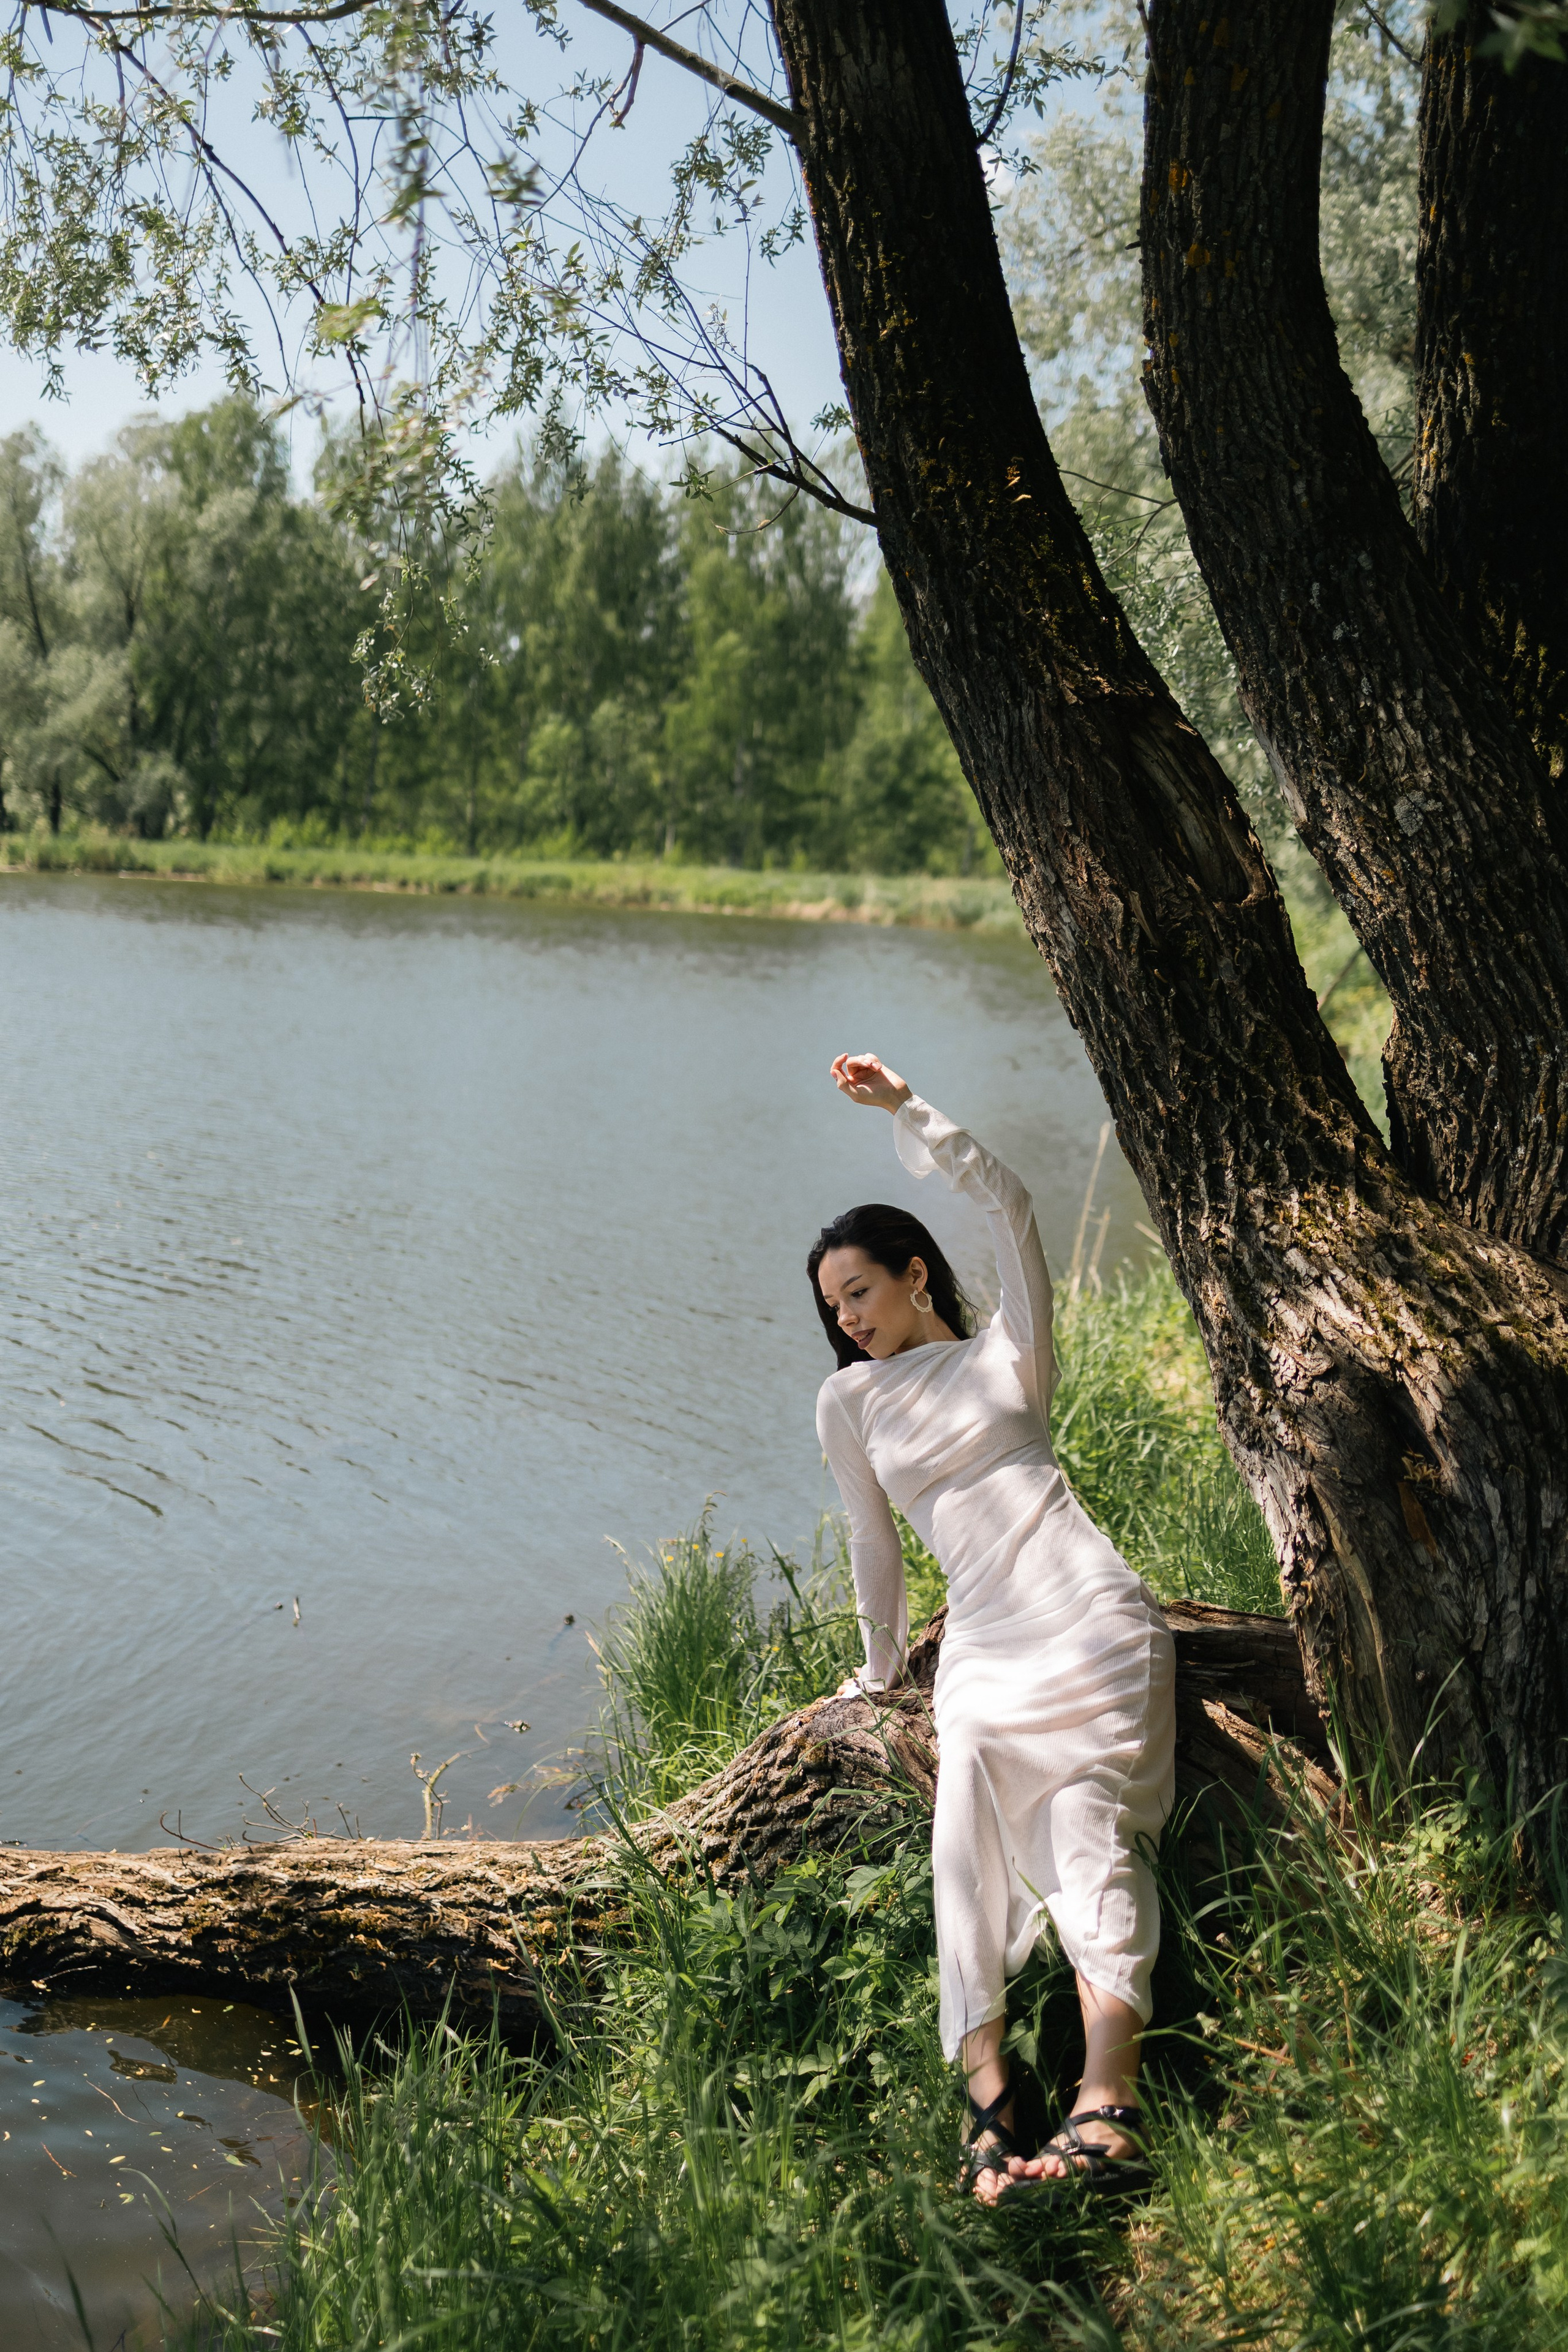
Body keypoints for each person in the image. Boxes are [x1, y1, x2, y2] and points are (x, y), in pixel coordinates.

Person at [810, 1052, 1175, 2201]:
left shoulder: (1008, 1352)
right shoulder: (849, 1404)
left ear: (916, 1276)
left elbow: (1013, 1205)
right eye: (833, 1309)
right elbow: (876, 1549)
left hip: (1093, 1618)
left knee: (1088, 1828)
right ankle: (992, 2088)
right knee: (963, 1819)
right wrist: (877, 1676)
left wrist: (910, 1111)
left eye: (859, 1292)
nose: (848, 1320)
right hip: (986, 1651)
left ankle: (1105, 2105)